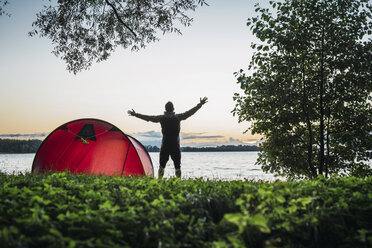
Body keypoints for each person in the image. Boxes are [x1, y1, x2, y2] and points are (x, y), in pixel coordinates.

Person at [128, 97, 208, 178]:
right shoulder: (177, 117)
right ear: (173, 109)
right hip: (175, 146)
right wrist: (200, 104)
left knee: (162, 167)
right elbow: (190, 112)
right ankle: (178, 182)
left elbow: (148, 118)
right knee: (177, 167)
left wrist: (136, 115)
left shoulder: (162, 118)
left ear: (165, 109)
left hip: (165, 146)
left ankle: (159, 182)